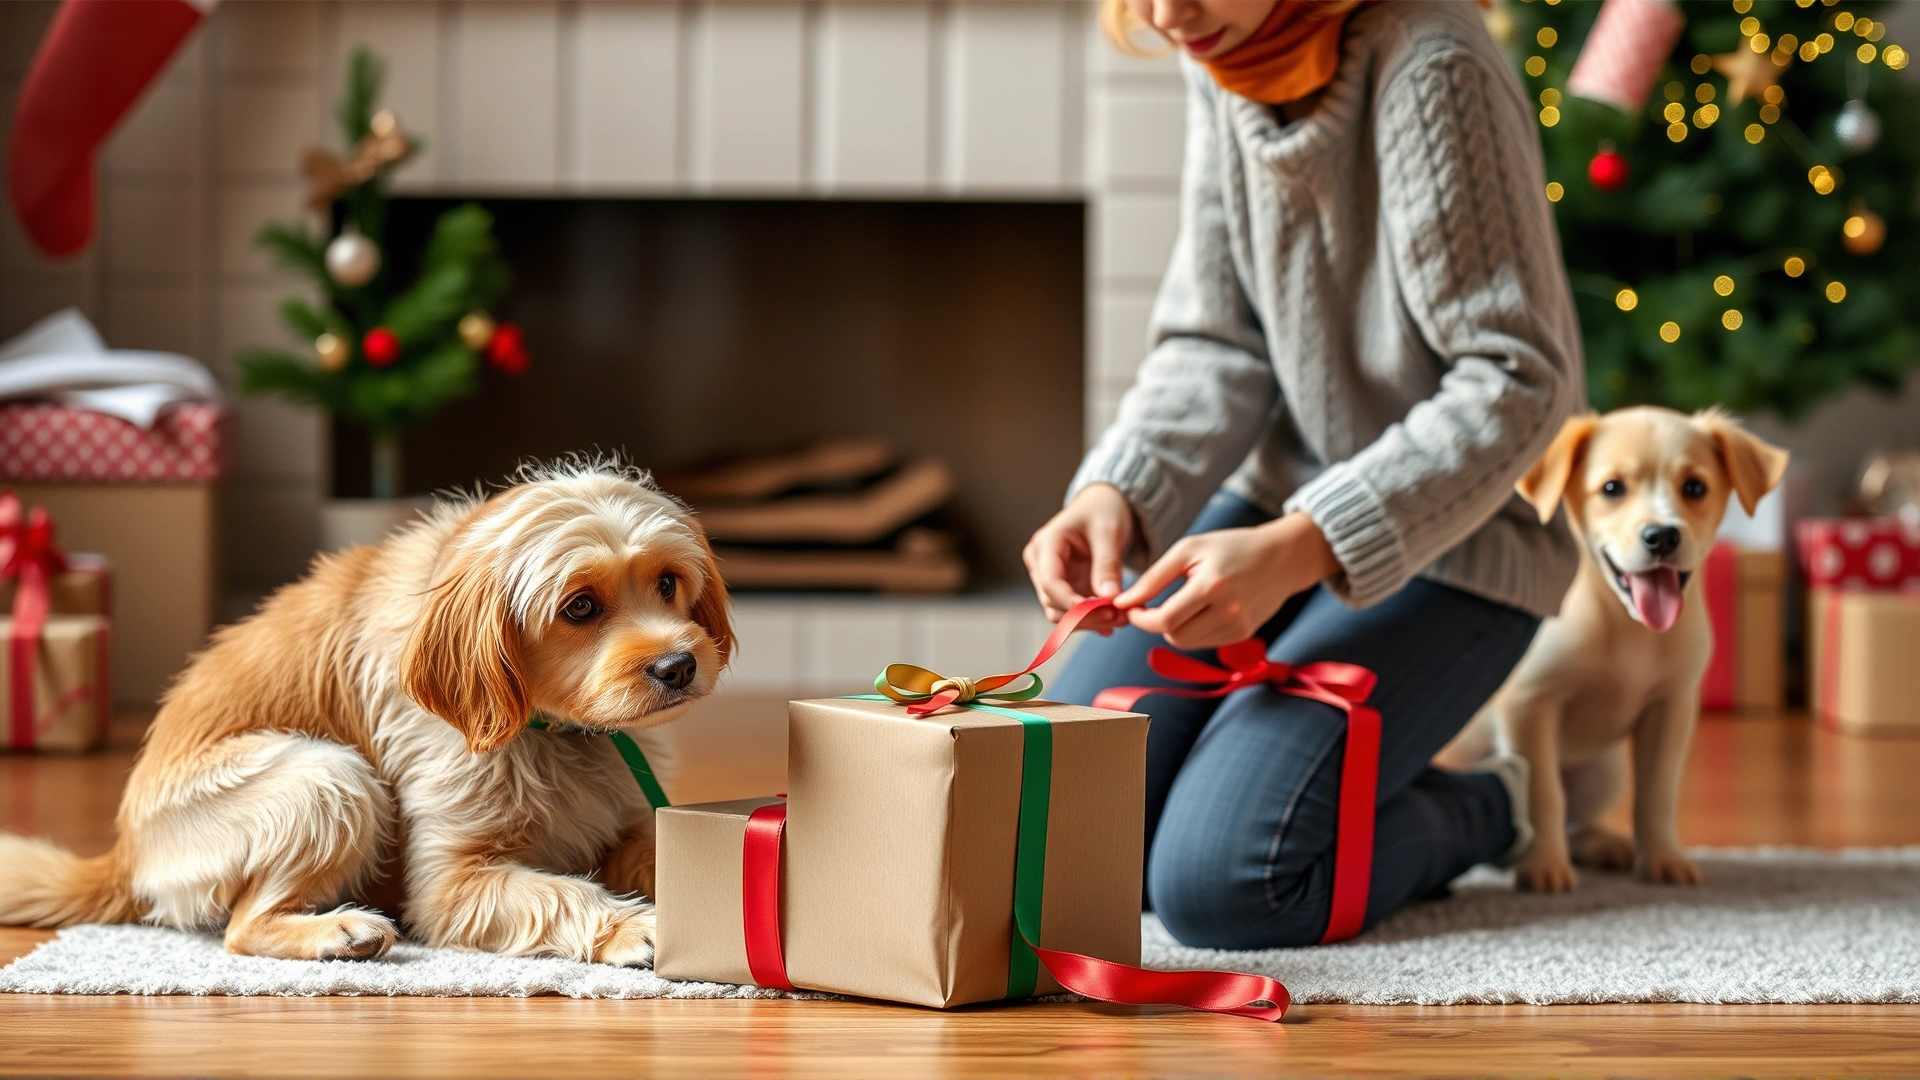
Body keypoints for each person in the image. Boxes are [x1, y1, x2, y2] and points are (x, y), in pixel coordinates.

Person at [1024, 0, 1583, 949]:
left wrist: (1301, 549)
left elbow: (1519, 381)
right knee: (1063, 831)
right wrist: (1114, 490)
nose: (1165, 15)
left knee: (1220, 888)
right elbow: (1216, 340)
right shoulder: (1224, 47)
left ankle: (1495, 806)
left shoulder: (1434, 65)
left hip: (1461, 544)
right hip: (1276, 512)